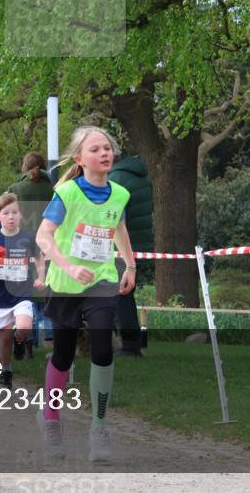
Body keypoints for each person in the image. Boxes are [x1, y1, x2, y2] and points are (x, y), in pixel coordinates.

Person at [35, 126, 137, 464]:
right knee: (63, 354)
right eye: (96, 149)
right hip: (65, 283)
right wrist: (67, 267)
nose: (105, 153)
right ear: (80, 159)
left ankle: (99, 428)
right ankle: (51, 420)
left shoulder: (120, 194)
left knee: (103, 347)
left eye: (107, 148)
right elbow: (43, 237)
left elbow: (119, 229)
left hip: (102, 280)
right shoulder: (66, 193)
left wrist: (130, 266)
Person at [0, 192, 46, 387]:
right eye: (6, 213)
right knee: (4, 338)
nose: (11, 217)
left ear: (20, 215)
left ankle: (20, 340)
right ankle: (5, 371)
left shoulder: (28, 237)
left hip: (22, 294)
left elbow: (40, 258)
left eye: (14, 212)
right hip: (0, 296)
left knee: (24, 326)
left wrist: (41, 278)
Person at [108, 152, 154, 356]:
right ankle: (130, 342)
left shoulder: (116, 180)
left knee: (121, 296)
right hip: (141, 243)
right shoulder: (141, 177)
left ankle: (129, 345)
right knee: (125, 295)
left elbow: (117, 220)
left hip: (121, 248)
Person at [8, 152, 55, 349]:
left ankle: (27, 339)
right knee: (48, 293)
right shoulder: (54, 189)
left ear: (24, 167)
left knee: (25, 296)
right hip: (49, 246)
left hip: (22, 246)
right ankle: (50, 337)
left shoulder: (15, 189)